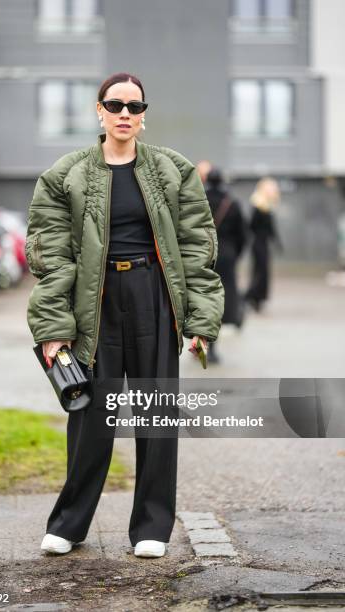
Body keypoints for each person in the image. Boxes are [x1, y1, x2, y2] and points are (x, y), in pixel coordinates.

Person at [25, 72, 224, 559]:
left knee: (157, 414)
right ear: (99, 110)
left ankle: (152, 526)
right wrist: (53, 330)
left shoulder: (174, 170)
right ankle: (69, 524)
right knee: (91, 415)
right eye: (115, 105)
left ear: (143, 115)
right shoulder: (64, 175)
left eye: (134, 107)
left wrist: (199, 321)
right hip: (95, 299)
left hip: (153, 293)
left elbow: (198, 249)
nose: (124, 114)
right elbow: (52, 259)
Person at [203, 167, 247, 363]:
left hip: (203, 256)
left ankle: (202, 344)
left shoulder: (197, 201)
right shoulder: (232, 203)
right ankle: (213, 347)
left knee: (203, 300)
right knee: (222, 301)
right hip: (226, 257)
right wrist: (234, 254)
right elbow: (243, 235)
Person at [245, 177, 282, 312]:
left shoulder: (266, 207)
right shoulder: (258, 207)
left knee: (263, 272)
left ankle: (257, 298)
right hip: (259, 243)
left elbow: (271, 229)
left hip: (263, 243)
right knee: (260, 272)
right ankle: (250, 296)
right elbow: (251, 226)